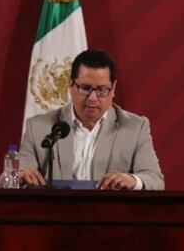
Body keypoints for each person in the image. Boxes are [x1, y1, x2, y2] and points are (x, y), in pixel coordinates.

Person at [18, 49, 164, 190]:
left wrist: (133, 181)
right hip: (55, 213)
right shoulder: (38, 126)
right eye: (85, 88)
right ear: (70, 85)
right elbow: (7, 178)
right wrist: (20, 176)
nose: (92, 98)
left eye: (101, 89)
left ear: (113, 88)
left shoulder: (135, 128)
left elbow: (155, 180)